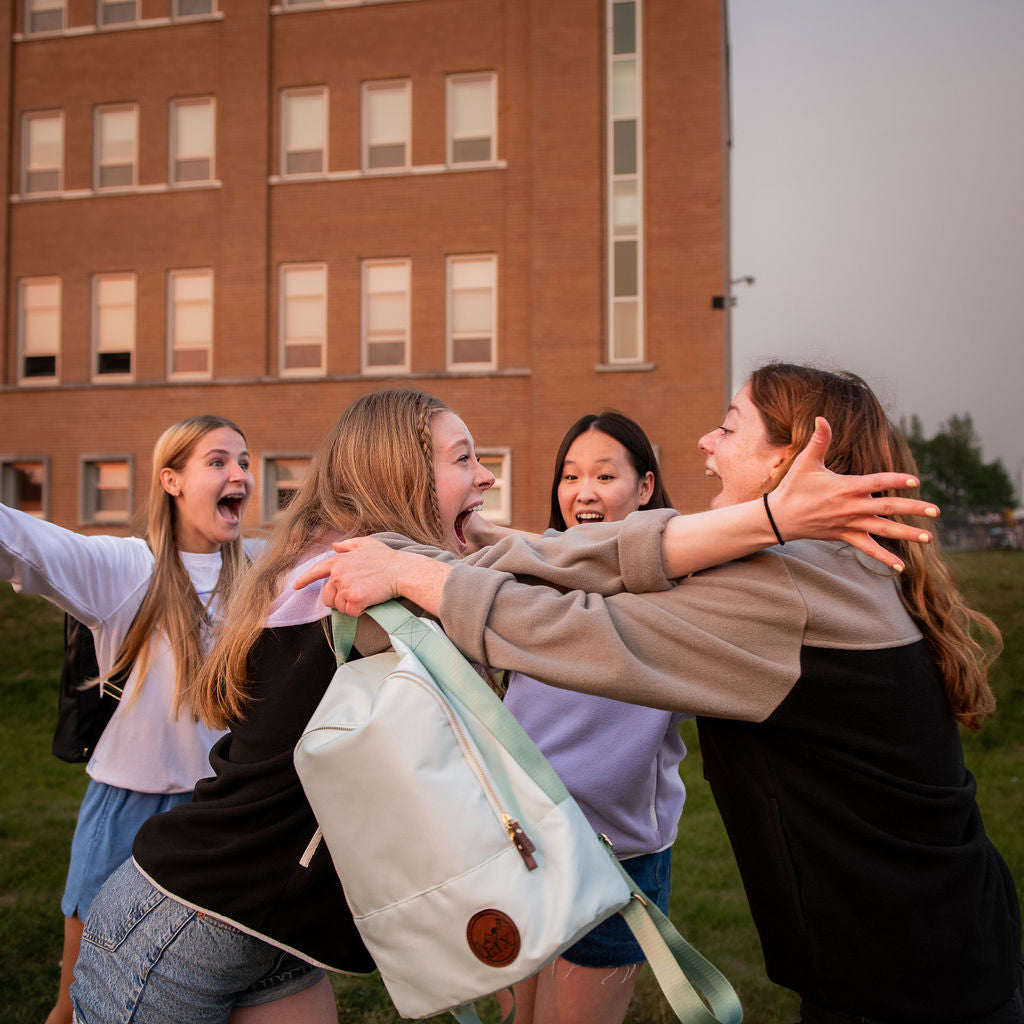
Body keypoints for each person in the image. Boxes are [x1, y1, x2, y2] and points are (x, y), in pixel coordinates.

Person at [71, 386, 937, 1024]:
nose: (486, 477)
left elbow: (571, 558)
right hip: (178, 927)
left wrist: (772, 522)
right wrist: (769, 521)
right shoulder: (346, 576)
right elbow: (562, 567)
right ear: (401, 471)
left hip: (273, 942)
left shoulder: (395, 566)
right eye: (464, 460)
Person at [304, 364, 1022, 1024]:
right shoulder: (812, 567)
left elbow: (582, 626)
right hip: (929, 940)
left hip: (910, 975)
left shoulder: (787, 589)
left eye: (731, 424)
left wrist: (416, 575)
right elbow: (612, 555)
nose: (707, 439)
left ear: (788, 458)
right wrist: (474, 546)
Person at [0, 415, 255, 1024]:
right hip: (125, 810)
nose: (239, 475)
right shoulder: (122, 569)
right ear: (171, 480)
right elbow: (24, 542)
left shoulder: (264, 572)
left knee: (208, 990)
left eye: (244, 461)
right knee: (79, 999)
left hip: (222, 812)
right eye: (217, 462)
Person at [497, 411, 685, 1024]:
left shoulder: (679, 587)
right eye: (570, 476)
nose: (583, 492)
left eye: (605, 475)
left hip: (614, 857)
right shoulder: (532, 572)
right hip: (517, 841)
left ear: (646, 488)